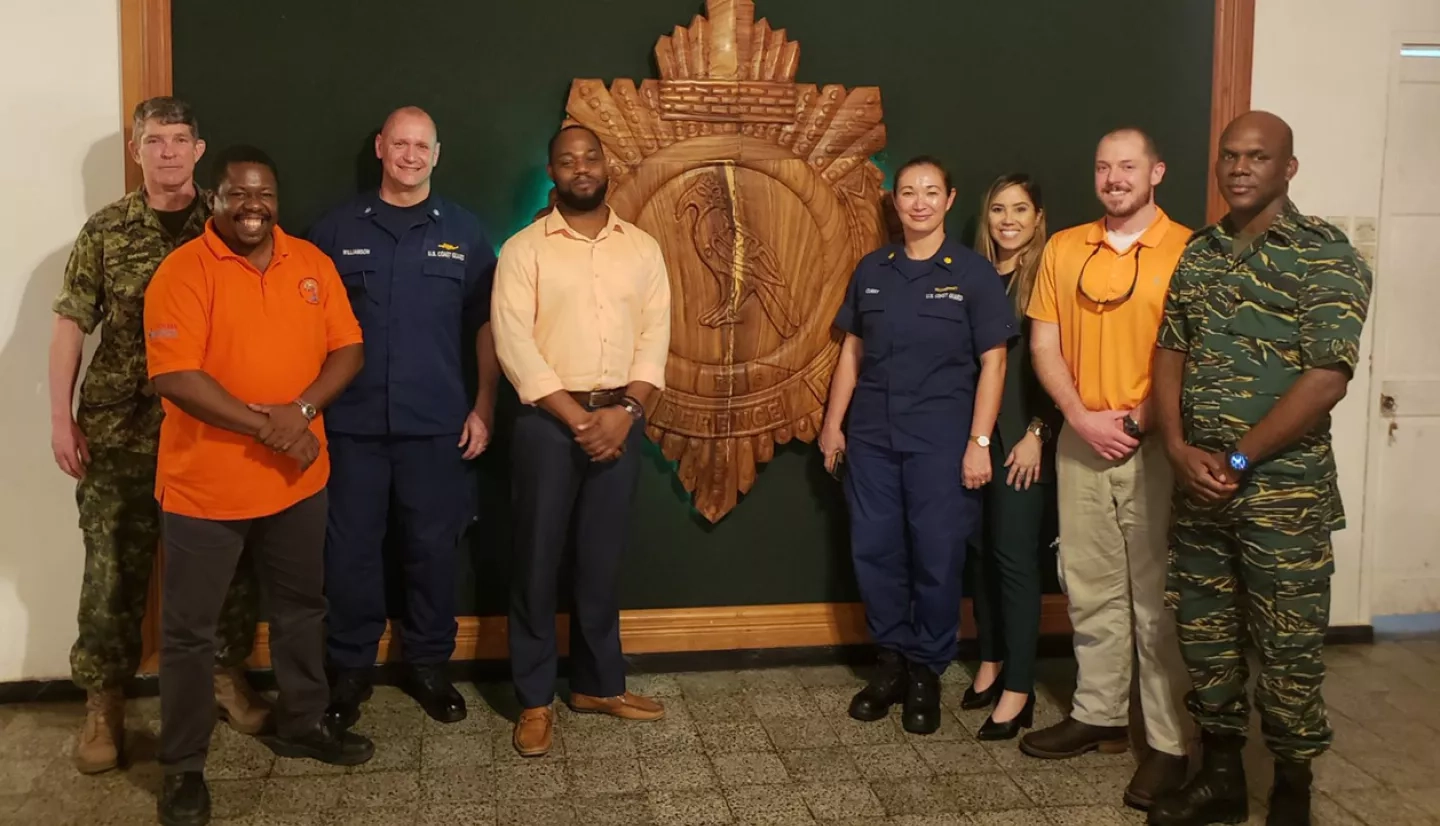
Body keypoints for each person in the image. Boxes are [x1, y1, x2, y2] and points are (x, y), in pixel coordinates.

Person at [1148, 112, 1371, 826]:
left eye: (1258, 156)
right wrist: (1178, 448)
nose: (1240, 168)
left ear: (1288, 169)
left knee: (1287, 645)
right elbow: (1169, 353)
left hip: (1283, 493)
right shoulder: (1199, 253)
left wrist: (1242, 456)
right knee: (1205, 635)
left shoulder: (1324, 255)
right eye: (1230, 156)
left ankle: (1292, 790)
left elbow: (1328, 375)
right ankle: (1220, 777)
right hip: (1201, 487)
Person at [144, 145, 374, 825]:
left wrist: (299, 414)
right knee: (190, 634)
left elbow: (349, 348)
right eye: (238, 194)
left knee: (303, 608)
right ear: (213, 198)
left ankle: (302, 723)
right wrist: (267, 425)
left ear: (277, 199)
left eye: (264, 194)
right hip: (203, 490)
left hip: (298, 480)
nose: (252, 206)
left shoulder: (311, 262)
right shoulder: (182, 271)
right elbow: (175, 377)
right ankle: (183, 767)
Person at [48, 96, 267, 775]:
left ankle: (226, 677)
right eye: (154, 140)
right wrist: (60, 417)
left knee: (224, 570)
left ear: (199, 150)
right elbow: (69, 326)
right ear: (137, 151)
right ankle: (105, 705)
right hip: (122, 434)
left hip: (212, 431)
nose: (168, 151)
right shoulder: (106, 231)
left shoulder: (229, 223)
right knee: (112, 574)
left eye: (179, 139)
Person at [308, 106, 499, 728]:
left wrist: (484, 407)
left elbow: (487, 330)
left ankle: (428, 666)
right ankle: (351, 671)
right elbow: (304, 332)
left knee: (431, 552)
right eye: (400, 143)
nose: (411, 155)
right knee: (351, 555)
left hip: (436, 427)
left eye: (422, 145)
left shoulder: (466, 233)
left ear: (436, 155)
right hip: (352, 428)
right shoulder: (334, 231)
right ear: (380, 147)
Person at [1019, 128, 1192, 810]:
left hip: (1155, 440)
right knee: (1087, 585)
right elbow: (1044, 342)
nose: (1114, 177)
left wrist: (1142, 418)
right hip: (1081, 437)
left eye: (1128, 166)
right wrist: (1080, 417)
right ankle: (1099, 714)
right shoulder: (1064, 247)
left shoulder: (1187, 251)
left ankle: (1170, 743)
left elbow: (1194, 351)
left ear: (1157, 171)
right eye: (1103, 167)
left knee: (1156, 599)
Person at [491, 124, 672, 757]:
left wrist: (624, 411)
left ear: (606, 165)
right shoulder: (523, 250)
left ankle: (597, 684)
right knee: (537, 563)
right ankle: (535, 698)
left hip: (621, 418)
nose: (580, 168)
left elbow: (655, 338)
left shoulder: (643, 250)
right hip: (547, 424)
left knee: (601, 560)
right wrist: (578, 420)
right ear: (552, 172)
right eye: (566, 160)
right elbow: (514, 344)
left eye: (589, 157)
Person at [819, 156, 1015, 735]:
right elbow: (851, 352)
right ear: (894, 201)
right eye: (908, 192)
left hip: (940, 442)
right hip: (873, 441)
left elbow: (994, 363)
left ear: (950, 199)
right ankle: (891, 665)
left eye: (931, 192)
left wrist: (979, 442)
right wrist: (834, 425)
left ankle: (927, 670)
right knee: (875, 552)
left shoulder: (974, 275)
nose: (919, 202)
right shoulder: (872, 269)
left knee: (936, 558)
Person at [965, 173, 1061, 740]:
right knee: (978, 556)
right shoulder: (977, 276)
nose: (1008, 220)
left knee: (1015, 562)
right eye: (998, 208)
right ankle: (992, 661)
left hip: (1025, 442)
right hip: (976, 438)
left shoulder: (1048, 277)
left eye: (1020, 209)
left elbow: (1062, 365)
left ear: (1037, 216)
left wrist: (1038, 433)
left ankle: (1021, 688)